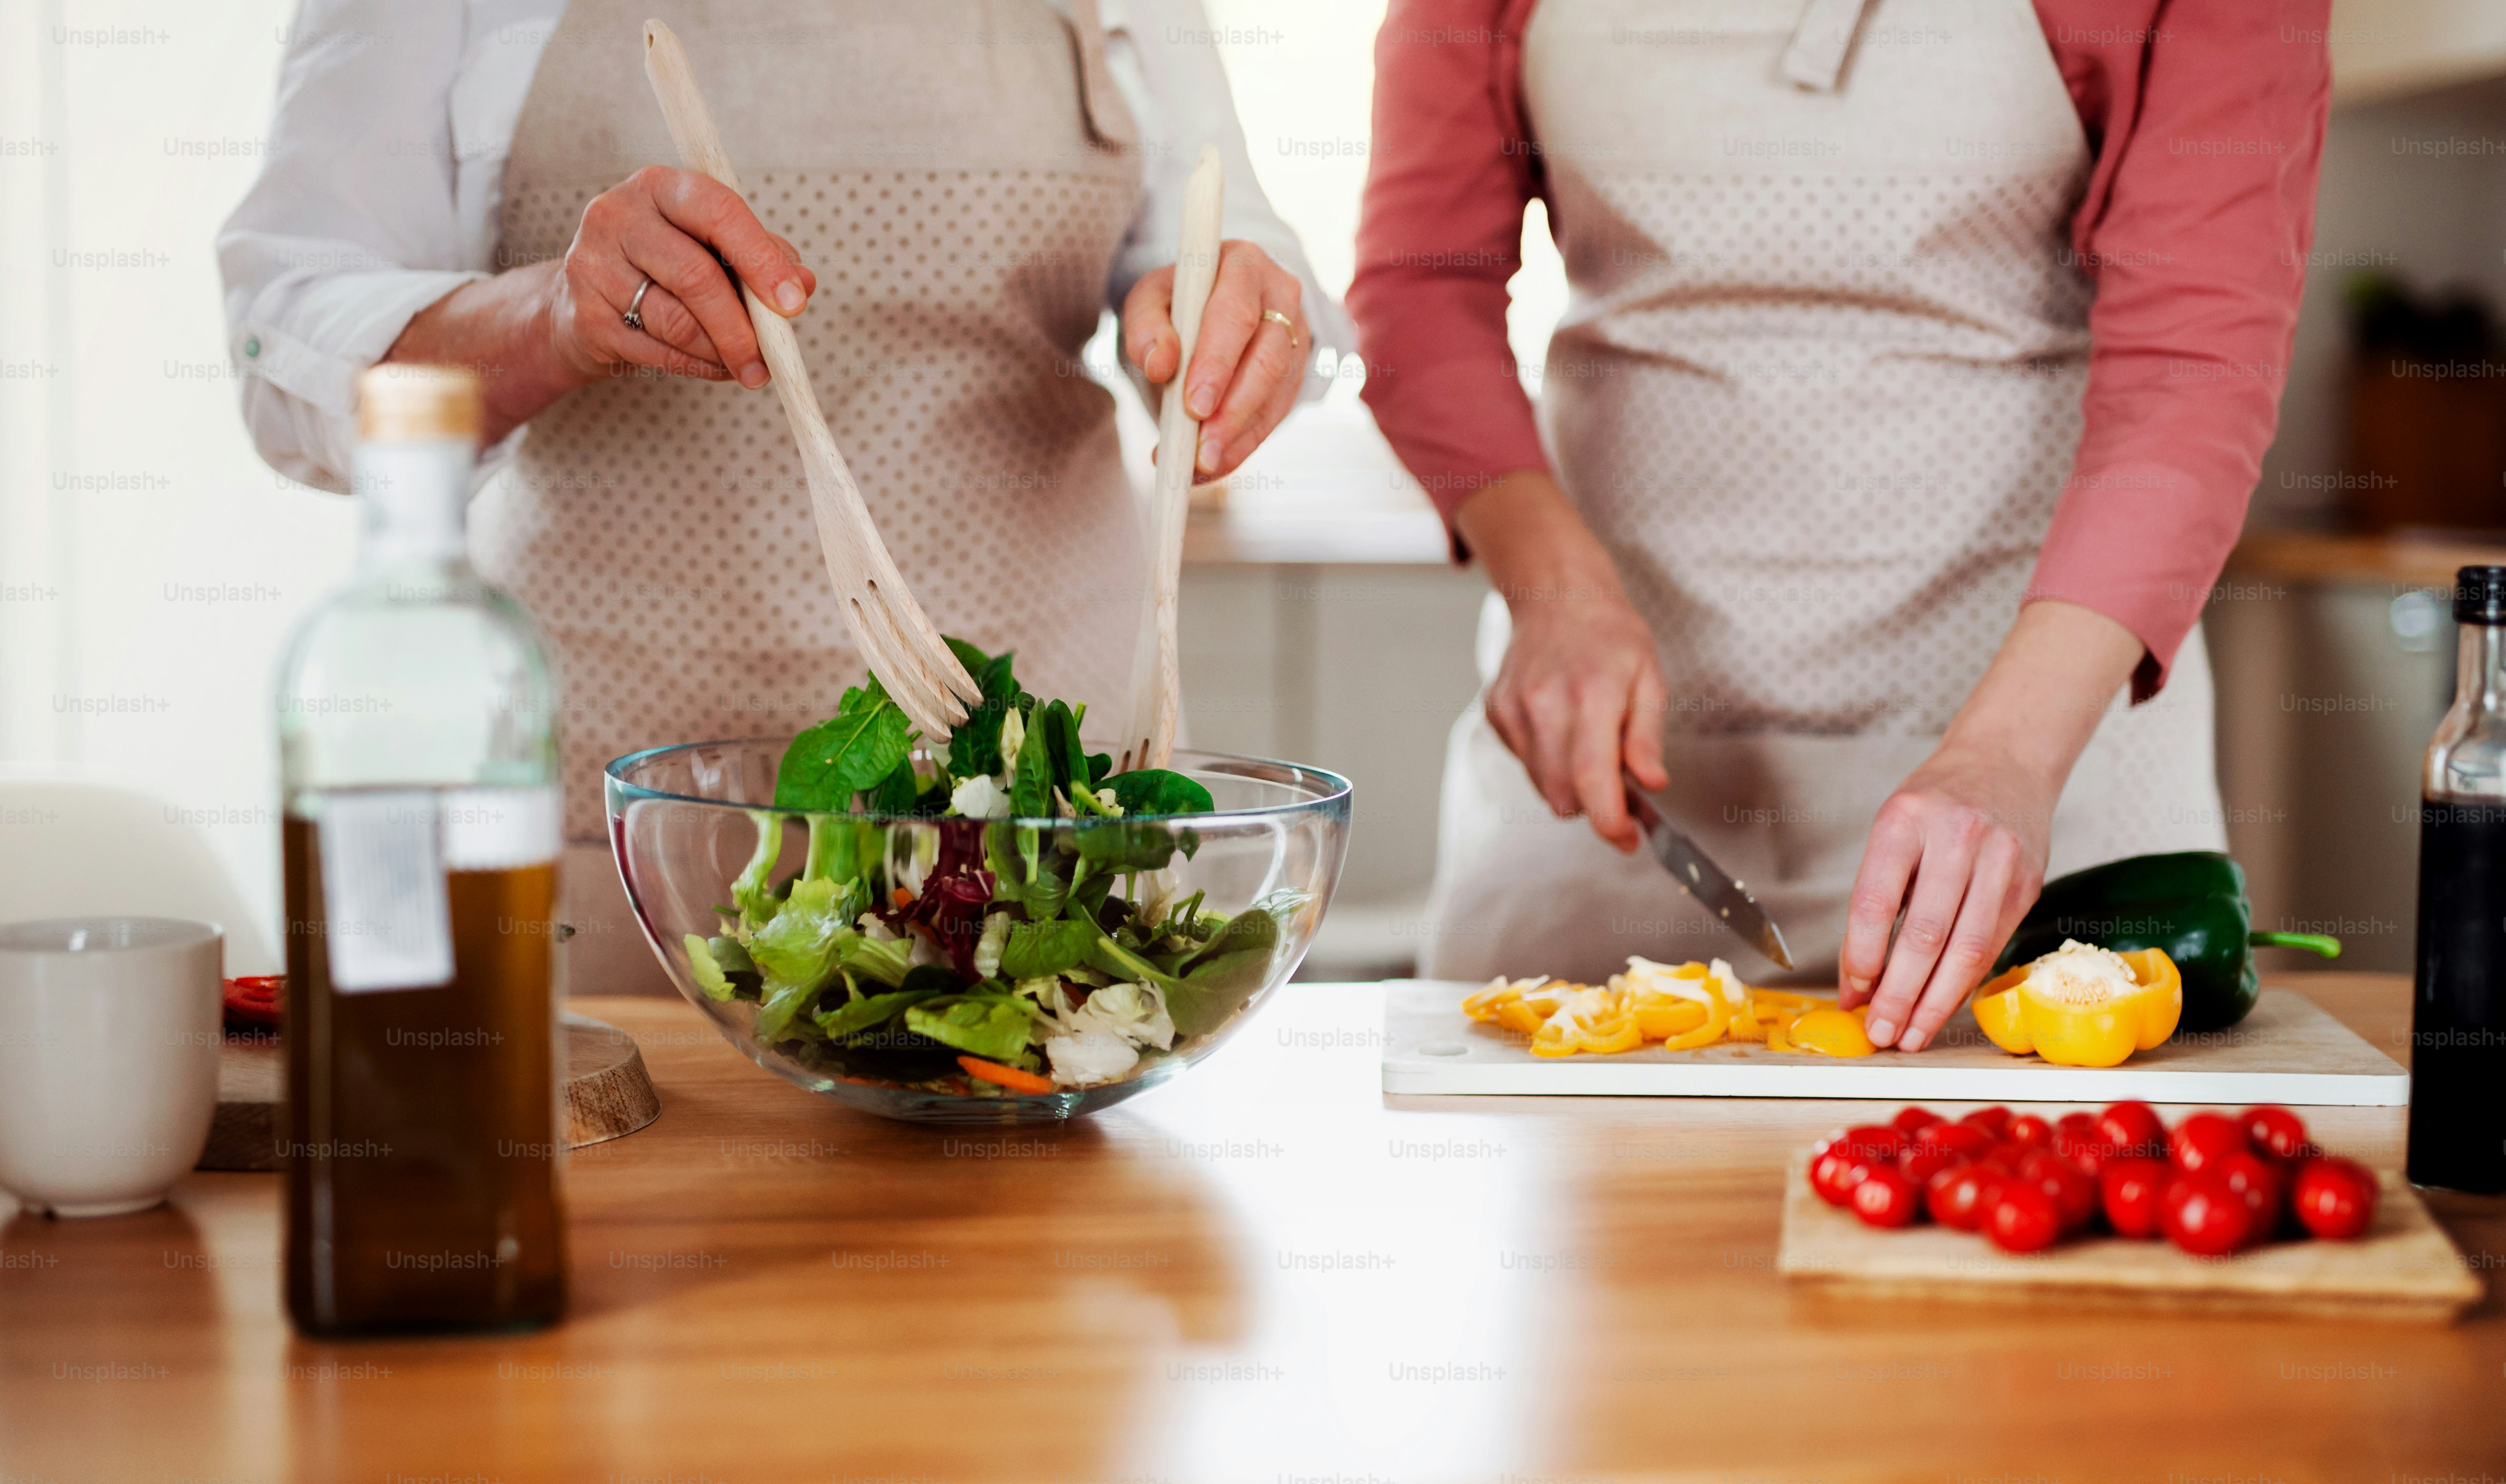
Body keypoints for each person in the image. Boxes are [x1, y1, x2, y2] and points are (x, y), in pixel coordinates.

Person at [221, 0, 1348, 991]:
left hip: (1047, 835)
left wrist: (1238, 319)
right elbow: (288, 337)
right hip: (610, 835)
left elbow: (1225, 224)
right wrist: (551, 317)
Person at [1349, 0, 2327, 1049]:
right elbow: (1419, 293)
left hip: (2052, 769)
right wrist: (1551, 589)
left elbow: (2193, 361)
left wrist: (2010, 754)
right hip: (1615, 797)